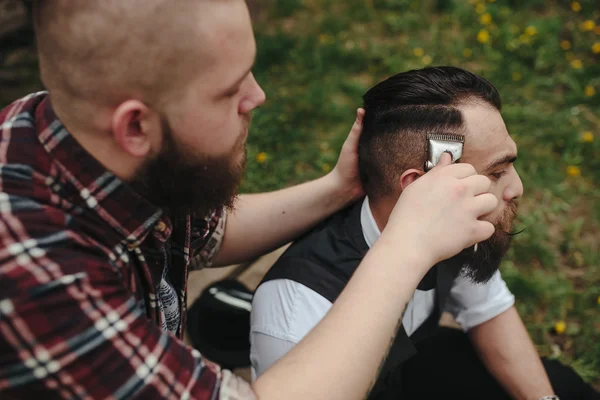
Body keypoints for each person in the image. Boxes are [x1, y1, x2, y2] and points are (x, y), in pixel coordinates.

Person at [0, 2, 499, 399]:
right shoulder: (38, 283)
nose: (257, 96)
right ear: (135, 126)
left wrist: (336, 189)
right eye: (228, 91)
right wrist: (403, 248)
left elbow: (207, 236)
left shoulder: (65, 131)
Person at [250, 67, 600, 400]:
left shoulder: (458, 219)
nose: (516, 187)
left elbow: (487, 308)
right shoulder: (297, 311)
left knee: (564, 386)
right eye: (496, 173)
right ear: (420, 188)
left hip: (412, 364)